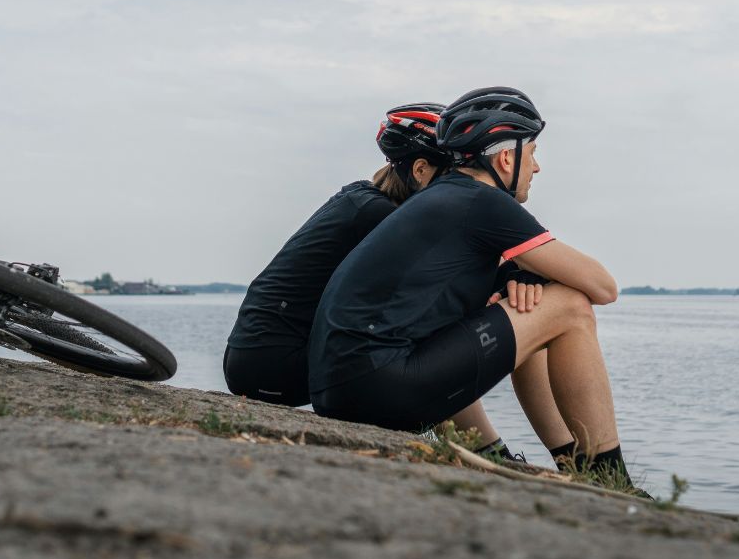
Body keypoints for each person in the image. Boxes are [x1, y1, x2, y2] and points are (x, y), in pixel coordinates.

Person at [308, 87, 643, 489]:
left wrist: (524, 278)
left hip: (343, 390)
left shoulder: (441, 197)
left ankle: (564, 461)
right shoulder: (483, 201)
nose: (536, 168)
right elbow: (603, 287)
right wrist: (535, 273)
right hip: (379, 388)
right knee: (569, 305)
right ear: (506, 158)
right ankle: (609, 479)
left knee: (530, 306)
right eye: (532, 153)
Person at [223, 103, 451, 408]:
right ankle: (474, 438)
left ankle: (460, 435)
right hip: (274, 368)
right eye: (450, 175)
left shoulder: (361, 198)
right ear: (420, 170)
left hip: (251, 361)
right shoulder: (379, 216)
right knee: (437, 321)